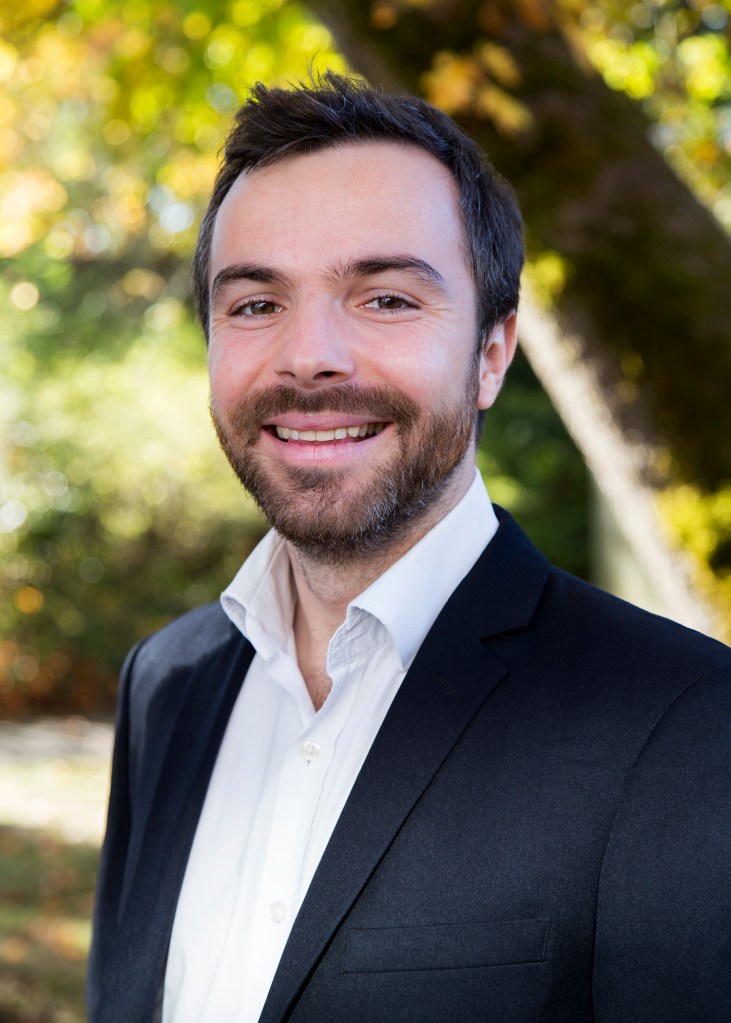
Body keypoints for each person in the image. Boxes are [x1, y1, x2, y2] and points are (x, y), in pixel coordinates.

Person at [87, 72, 730, 1023]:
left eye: (384, 299)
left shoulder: (680, 722)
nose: (309, 356)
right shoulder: (164, 682)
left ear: (491, 352)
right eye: (256, 304)